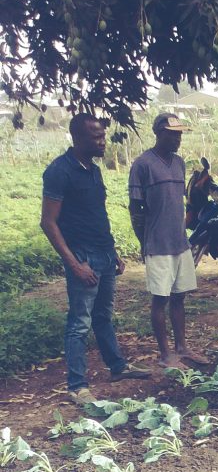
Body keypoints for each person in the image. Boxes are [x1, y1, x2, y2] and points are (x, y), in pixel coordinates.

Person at [41, 114, 150, 405]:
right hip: (82, 257)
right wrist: (75, 264)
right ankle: (77, 386)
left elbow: (96, 215)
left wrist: (113, 251)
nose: (102, 142)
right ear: (77, 138)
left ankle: (117, 367)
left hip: (103, 254)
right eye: (96, 137)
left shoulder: (93, 170)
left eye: (103, 136)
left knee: (103, 317)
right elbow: (48, 223)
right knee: (79, 323)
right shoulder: (59, 172)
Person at [129, 113, 207, 369]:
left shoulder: (180, 163)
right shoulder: (142, 165)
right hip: (158, 244)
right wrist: (144, 242)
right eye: (173, 134)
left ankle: (182, 347)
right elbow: (136, 209)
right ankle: (165, 354)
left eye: (180, 134)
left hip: (179, 241)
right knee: (160, 299)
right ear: (159, 133)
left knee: (179, 296)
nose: (178, 139)